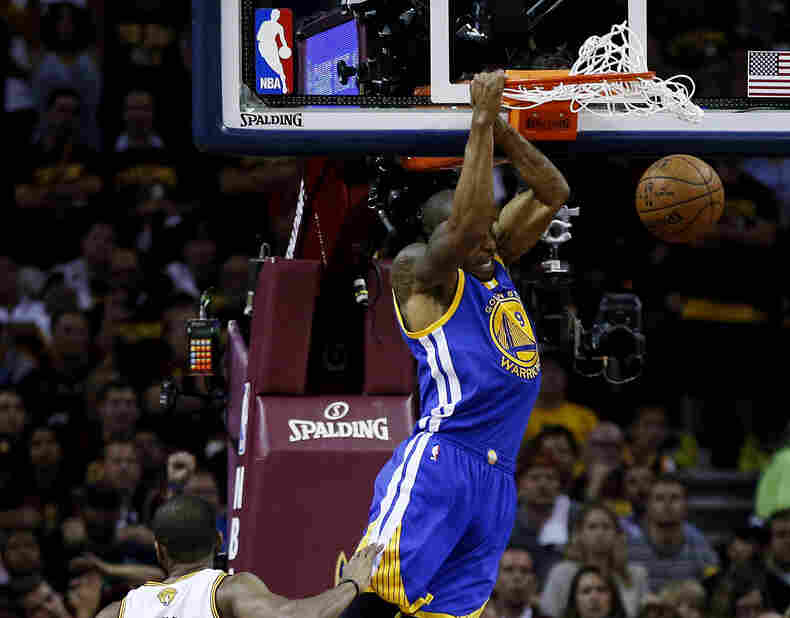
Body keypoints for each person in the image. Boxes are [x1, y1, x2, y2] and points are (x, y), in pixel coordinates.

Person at [352, 69, 570, 618]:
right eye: (469, 230)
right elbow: (469, 224)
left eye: (488, 228)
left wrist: (502, 127)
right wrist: (477, 121)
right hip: (443, 459)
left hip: (497, 478)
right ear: (442, 237)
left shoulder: (494, 257)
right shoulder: (415, 272)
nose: (484, 236)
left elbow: (553, 191)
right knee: (372, 599)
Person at [88, 495, 383, 618]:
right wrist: (351, 584)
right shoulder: (226, 591)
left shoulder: (116, 612)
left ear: (158, 550)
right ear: (218, 541)